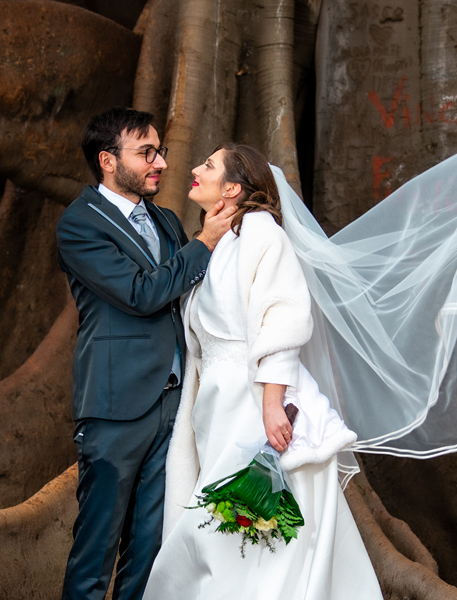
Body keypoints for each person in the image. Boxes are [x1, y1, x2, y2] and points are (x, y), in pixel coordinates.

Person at [142, 143, 383, 600]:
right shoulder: (216, 242)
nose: (194, 169)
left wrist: (273, 405)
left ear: (232, 188)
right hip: (215, 407)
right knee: (225, 524)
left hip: (252, 403)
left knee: (242, 526)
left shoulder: (261, 233)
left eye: (208, 165)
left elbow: (284, 319)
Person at [56, 107, 235, 600]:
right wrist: (205, 241)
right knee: (96, 547)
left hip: (173, 405)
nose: (161, 163)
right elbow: (141, 294)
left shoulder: (166, 220)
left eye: (160, 151)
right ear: (108, 161)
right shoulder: (78, 225)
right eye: (146, 153)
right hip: (115, 406)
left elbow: (190, 294)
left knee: (150, 548)